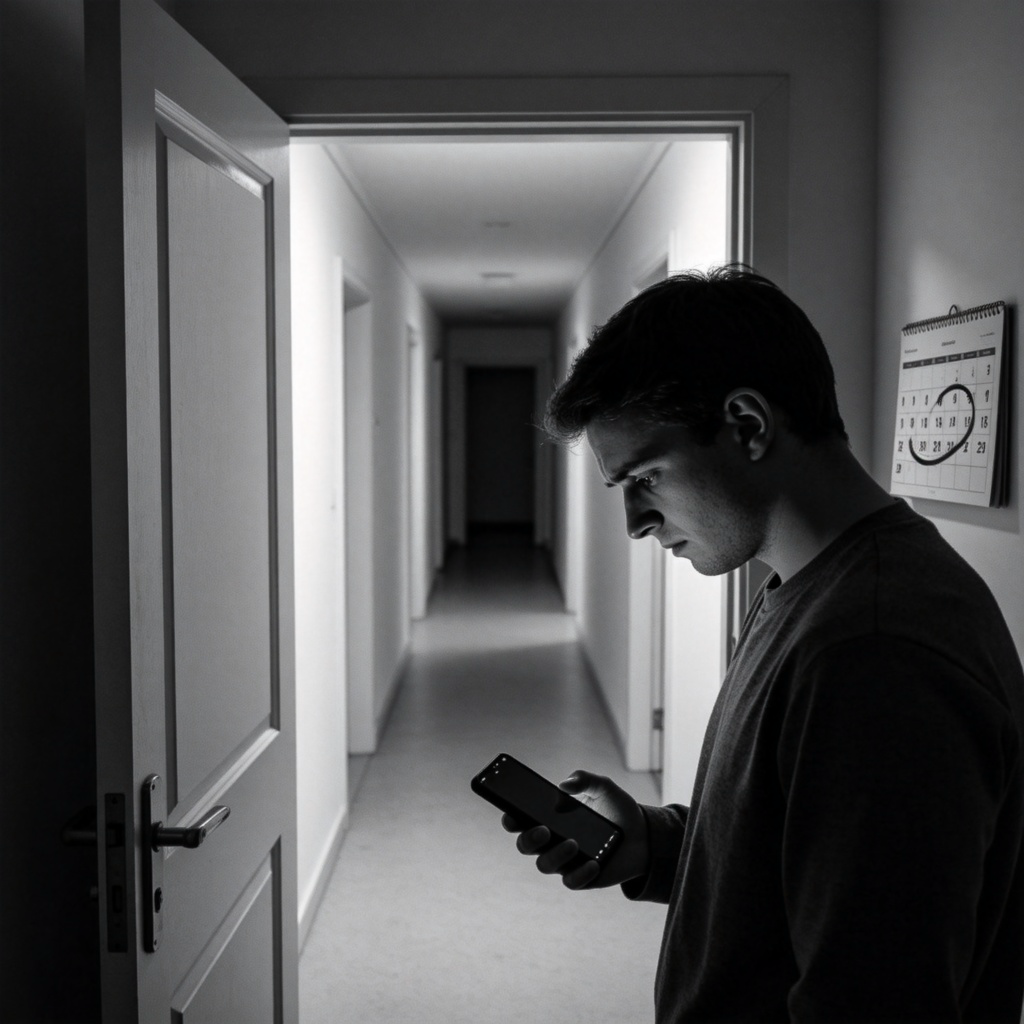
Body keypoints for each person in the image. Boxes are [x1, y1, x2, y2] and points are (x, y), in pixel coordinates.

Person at [499, 266, 1024, 1022]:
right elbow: (793, 868)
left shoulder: (876, 650)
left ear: (747, 425)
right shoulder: (809, 591)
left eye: (644, 477)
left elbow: (875, 1000)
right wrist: (650, 842)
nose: (635, 522)